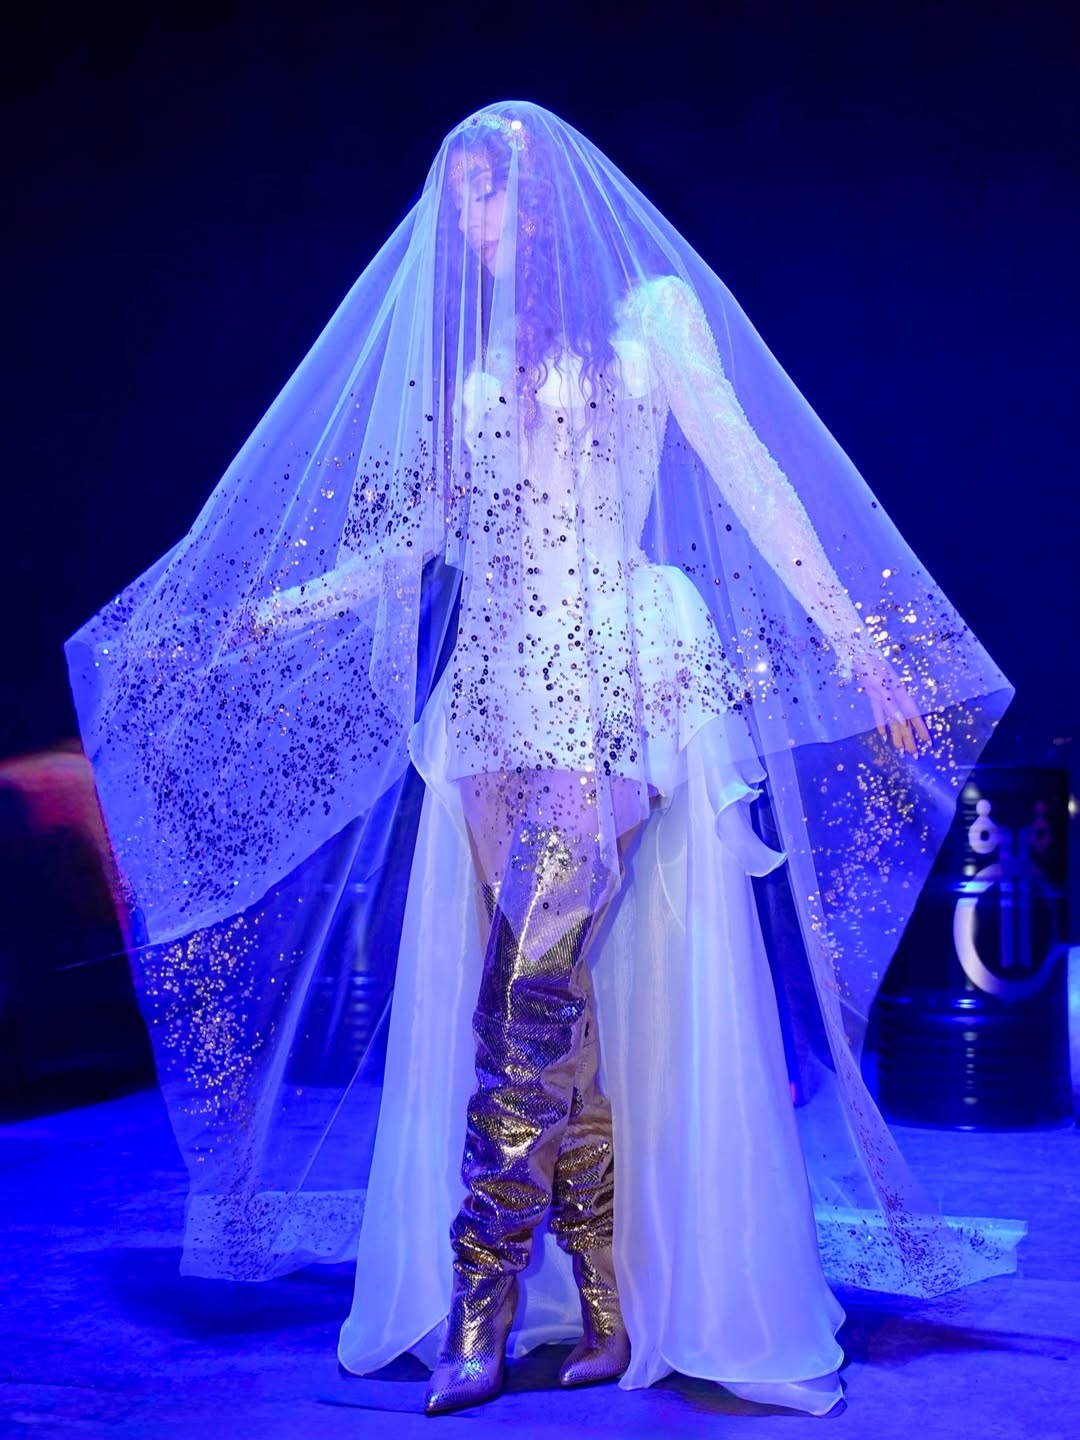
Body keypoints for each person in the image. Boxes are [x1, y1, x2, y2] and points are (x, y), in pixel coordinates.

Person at [67, 102, 1021, 1418]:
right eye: (459, 197)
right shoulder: (474, 362)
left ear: (546, 203)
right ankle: (606, 1300)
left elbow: (754, 479)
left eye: (490, 195)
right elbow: (412, 536)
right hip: (491, 698)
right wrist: (269, 613)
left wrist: (864, 644)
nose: (471, 222)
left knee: (521, 997)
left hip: (613, 676)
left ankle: (483, 1298)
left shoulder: (651, 323)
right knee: (549, 1007)